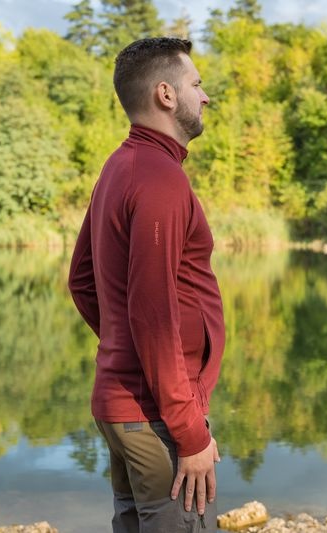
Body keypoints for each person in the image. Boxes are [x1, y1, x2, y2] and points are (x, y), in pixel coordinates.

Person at [68, 37, 225, 533]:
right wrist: (190, 432)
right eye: (196, 84)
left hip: (129, 406)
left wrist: (123, 347)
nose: (205, 96)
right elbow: (153, 317)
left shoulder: (121, 165)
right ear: (165, 94)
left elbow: (82, 280)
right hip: (155, 415)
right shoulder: (158, 178)